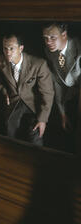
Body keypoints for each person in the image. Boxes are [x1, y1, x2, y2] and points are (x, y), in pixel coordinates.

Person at [0, 33, 54, 146]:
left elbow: (47, 93)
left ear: (20, 48)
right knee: (10, 140)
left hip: (33, 106)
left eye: (11, 48)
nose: (7, 52)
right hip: (13, 105)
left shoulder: (39, 64)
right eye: (5, 48)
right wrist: (4, 92)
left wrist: (43, 119)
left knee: (35, 140)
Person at [42, 22, 81, 152]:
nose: (48, 42)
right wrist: (63, 113)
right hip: (67, 98)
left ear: (64, 34)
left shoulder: (79, 48)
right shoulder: (50, 52)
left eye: (53, 37)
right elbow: (57, 83)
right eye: (45, 38)